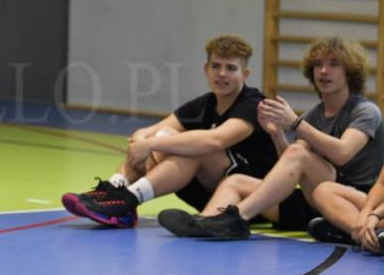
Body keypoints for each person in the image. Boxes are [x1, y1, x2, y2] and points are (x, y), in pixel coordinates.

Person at [162, 37, 384, 240]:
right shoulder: (314, 115)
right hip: (314, 198)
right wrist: (277, 134)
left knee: (303, 159)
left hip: (355, 199)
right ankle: (207, 221)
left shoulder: (364, 111)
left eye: (334, 64)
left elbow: (342, 153)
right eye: (318, 65)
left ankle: (238, 217)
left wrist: (296, 123)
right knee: (235, 181)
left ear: (350, 72)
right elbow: (290, 168)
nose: (324, 71)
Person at [61, 35, 278, 228]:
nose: (222, 74)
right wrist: (143, 140)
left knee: (195, 149)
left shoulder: (253, 104)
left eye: (231, 68)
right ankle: (114, 190)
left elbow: (216, 140)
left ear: (245, 74)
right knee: (164, 137)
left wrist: (151, 144)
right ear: (206, 69)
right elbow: (149, 131)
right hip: (211, 196)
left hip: (252, 201)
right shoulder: (205, 104)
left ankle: (128, 200)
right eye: (216, 66)